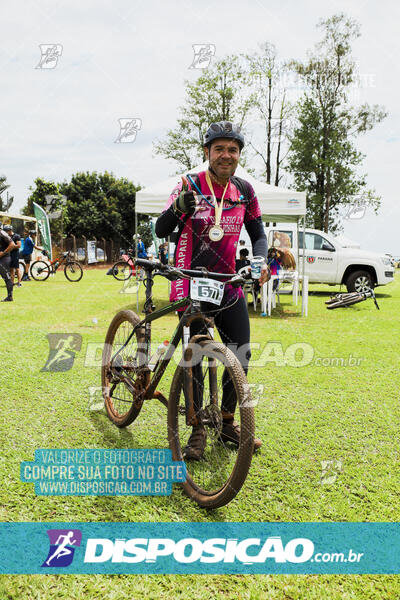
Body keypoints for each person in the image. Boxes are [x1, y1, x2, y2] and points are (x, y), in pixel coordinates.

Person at [155, 120, 270, 460]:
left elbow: (258, 233)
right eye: (218, 148)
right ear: (207, 152)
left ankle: (227, 421)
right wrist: (179, 208)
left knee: (241, 353)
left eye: (232, 150)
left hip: (227, 282)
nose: (225, 155)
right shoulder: (189, 184)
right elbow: (162, 228)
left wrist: (260, 260)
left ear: (238, 156)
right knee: (197, 355)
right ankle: (197, 430)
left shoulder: (244, 191)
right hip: (191, 279)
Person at [0, 227, 16, 302]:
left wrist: (3, 253)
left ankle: (10, 297)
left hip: (4, 259)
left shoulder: (2, 233)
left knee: (6, 277)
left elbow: (12, 244)